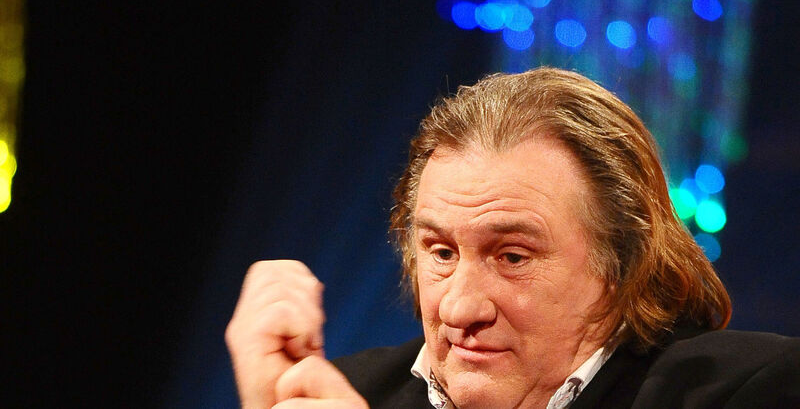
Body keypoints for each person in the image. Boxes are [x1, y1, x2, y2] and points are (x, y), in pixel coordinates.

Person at [225, 67, 800, 408]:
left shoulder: (752, 389)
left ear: (622, 263)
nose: (459, 308)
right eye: (441, 252)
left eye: (513, 256)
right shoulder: (354, 393)